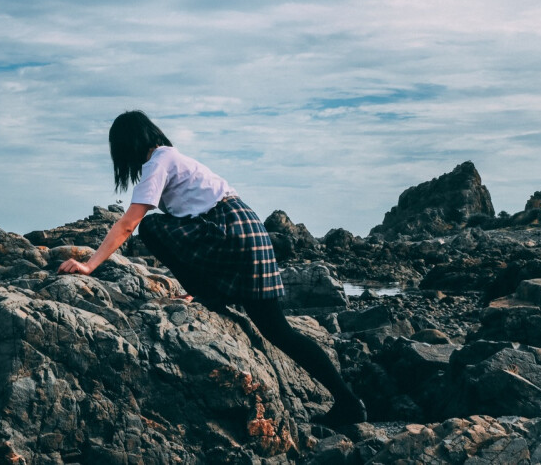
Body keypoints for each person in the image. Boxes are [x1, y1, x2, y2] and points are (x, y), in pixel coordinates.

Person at [57, 110, 367, 427]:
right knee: (279, 331)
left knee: (151, 228)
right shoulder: (173, 159)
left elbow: (128, 224)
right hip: (246, 227)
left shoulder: (158, 162)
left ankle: (208, 295)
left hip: (229, 229)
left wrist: (90, 264)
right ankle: (348, 401)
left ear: (127, 145)